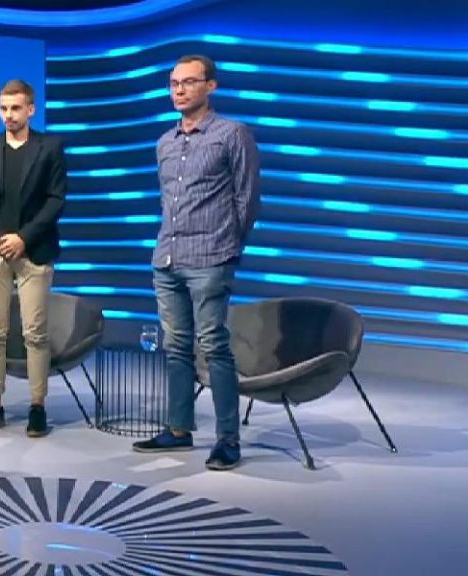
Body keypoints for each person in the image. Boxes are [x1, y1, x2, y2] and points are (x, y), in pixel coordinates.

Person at [132, 54, 261, 471]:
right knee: (175, 347)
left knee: (213, 346)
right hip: (167, 258)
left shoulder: (232, 134)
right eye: (174, 83)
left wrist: (228, 247)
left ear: (211, 85)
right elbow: (168, 202)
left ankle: (227, 439)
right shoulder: (164, 142)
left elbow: (247, 198)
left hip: (211, 257)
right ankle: (178, 429)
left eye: (188, 82)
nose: (179, 90)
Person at [0, 79, 67, 438]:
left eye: (16, 108)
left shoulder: (50, 147)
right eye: (3, 108)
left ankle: (37, 406)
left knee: (35, 333)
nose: (9, 115)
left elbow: (56, 199)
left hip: (34, 250)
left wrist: (23, 238)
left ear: (30, 109)